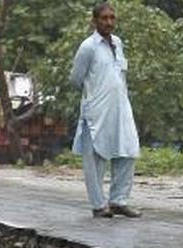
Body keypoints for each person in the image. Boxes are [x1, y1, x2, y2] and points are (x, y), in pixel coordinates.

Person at [70, 2, 142, 219]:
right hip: (96, 111)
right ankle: (99, 205)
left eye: (112, 18)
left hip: (120, 108)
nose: (109, 22)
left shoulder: (118, 43)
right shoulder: (88, 47)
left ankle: (119, 201)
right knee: (95, 159)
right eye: (104, 18)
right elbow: (75, 79)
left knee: (127, 151)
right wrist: (96, 95)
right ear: (95, 21)